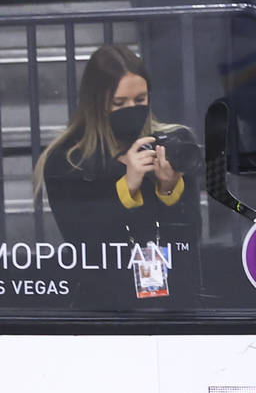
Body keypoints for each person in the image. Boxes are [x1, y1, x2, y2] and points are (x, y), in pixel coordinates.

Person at [33, 43, 200, 247]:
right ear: (95, 104)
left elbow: (191, 239)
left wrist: (168, 190)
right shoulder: (68, 161)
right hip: (103, 277)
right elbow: (81, 240)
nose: (131, 109)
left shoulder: (174, 144)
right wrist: (127, 187)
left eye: (140, 99)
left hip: (169, 275)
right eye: (118, 103)